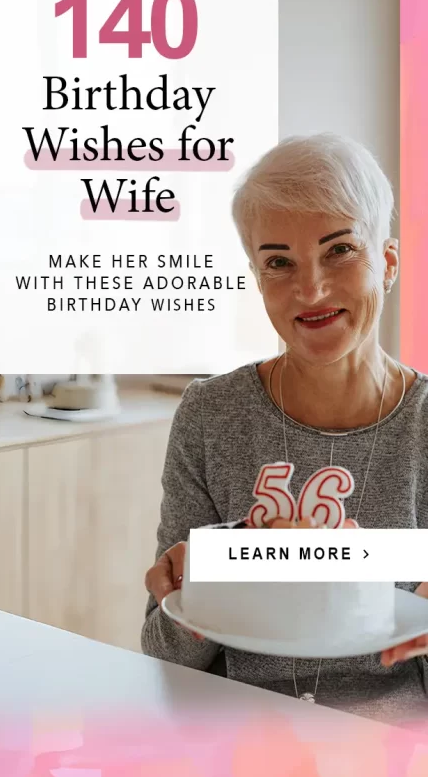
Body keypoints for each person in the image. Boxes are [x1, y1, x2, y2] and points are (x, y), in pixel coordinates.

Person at [141, 133, 428, 723]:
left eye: (340, 250)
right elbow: (160, 653)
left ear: (389, 262)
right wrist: (208, 581)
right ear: (256, 275)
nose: (311, 289)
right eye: (279, 262)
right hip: (238, 745)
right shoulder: (210, 415)